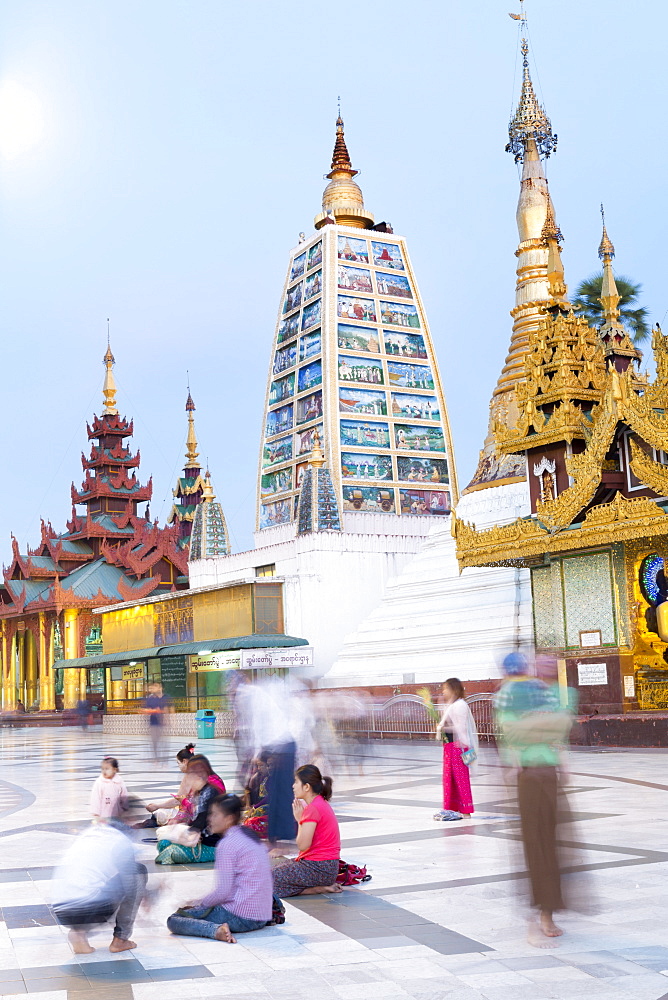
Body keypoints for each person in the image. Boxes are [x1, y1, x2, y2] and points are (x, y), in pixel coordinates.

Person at [495, 650, 574, 947]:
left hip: (545, 772)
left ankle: (547, 909)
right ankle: (544, 911)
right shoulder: (508, 696)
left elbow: (559, 727)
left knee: (549, 843)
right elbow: (511, 733)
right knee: (537, 844)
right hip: (528, 774)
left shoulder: (546, 694)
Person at [167, 794, 273, 943]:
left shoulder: (227, 844)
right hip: (262, 915)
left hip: (241, 916)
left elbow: (223, 892)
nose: (210, 819)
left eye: (215, 814)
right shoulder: (250, 836)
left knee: (175, 920)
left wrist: (200, 903)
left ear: (229, 819)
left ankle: (215, 931)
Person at [52, 798, 147, 954]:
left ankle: (78, 934)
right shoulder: (120, 840)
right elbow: (131, 883)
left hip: (62, 910)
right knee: (138, 871)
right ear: (130, 818)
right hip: (89, 909)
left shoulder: (90, 832)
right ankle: (121, 939)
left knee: (100, 880)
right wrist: (148, 895)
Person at [272, 764, 341, 898]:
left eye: (296, 782)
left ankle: (317, 889)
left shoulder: (313, 809)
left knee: (266, 880)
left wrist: (299, 820)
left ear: (307, 787)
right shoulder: (320, 803)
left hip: (319, 868)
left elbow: (303, 845)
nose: (293, 786)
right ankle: (318, 888)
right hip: (326, 867)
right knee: (274, 871)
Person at [155, 757, 222, 865]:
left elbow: (202, 821)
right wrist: (177, 822)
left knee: (171, 852)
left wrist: (185, 833)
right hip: (197, 839)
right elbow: (192, 815)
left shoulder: (210, 791)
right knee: (163, 843)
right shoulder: (199, 791)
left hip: (211, 844)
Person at [435, 678, 479, 820]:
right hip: (450, 747)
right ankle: (452, 808)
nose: (443, 691)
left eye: (446, 688)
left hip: (458, 746)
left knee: (460, 778)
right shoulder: (452, 704)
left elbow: (461, 728)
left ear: (453, 689)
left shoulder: (460, 705)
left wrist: (442, 728)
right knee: (450, 778)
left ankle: (465, 809)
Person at [142, 682, 170, 761]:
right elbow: (145, 709)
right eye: (152, 687)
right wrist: (153, 711)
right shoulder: (150, 699)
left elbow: (167, 709)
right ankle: (156, 759)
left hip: (163, 723)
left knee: (164, 743)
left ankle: (164, 760)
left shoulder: (165, 698)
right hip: (153, 723)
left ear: (160, 688)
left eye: (155, 687)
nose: (153, 689)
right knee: (154, 742)